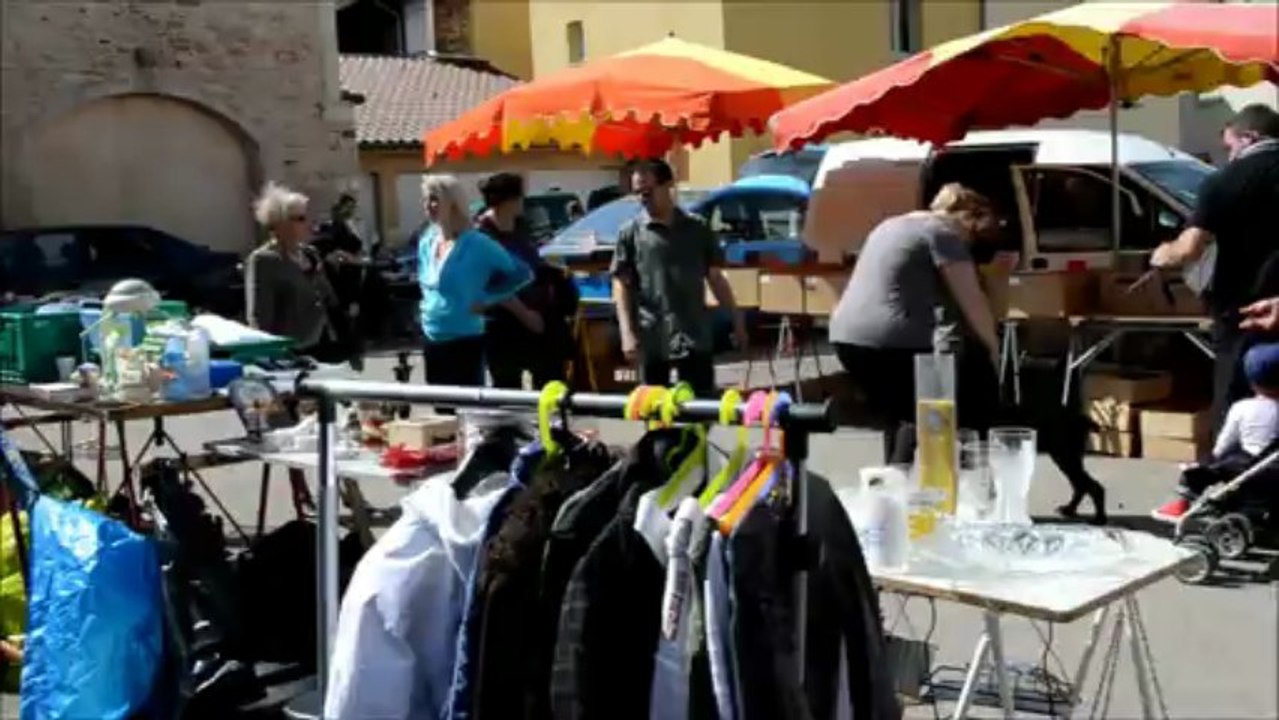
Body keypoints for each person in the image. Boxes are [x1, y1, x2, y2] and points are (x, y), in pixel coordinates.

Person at [831, 183, 1003, 463]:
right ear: (970, 218)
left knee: (897, 417)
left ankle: (892, 489)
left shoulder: (891, 224)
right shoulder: (944, 233)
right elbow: (972, 302)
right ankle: (911, 485)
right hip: (892, 339)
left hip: (846, 337)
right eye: (975, 235)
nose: (970, 244)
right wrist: (993, 348)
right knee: (924, 414)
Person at [1151, 104, 1279, 437]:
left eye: (1230, 145)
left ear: (1249, 137)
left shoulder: (1223, 181)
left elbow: (1189, 247)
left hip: (1243, 307)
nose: (1230, 154)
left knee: (1235, 396)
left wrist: (1162, 254)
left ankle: (1232, 475)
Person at [610, 158, 747, 397]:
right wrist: (626, 333)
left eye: (648, 191)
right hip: (653, 335)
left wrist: (737, 320)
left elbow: (716, 278)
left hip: (694, 334)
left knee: (700, 407)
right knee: (654, 409)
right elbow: (621, 284)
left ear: (667, 187)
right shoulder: (630, 233)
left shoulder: (698, 229)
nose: (643, 199)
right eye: (638, 193)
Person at [417, 174, 533, 387]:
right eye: (426, 199)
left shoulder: (477, 243)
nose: (429, 205)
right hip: (432, 335)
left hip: (465, 337)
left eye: (435, 199)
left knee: (467, 411)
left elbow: (521, 273)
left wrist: (488, 298)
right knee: (439, 411)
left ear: (453, 202)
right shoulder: (426, 241)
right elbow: (427, 284)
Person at [1153, 342, 1279, 522]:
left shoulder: (1242, 408)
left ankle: (1182, 505)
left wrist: (1206, 461)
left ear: (1250, 380)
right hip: (1276, 472)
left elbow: (1222, 447)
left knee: (1201, 469)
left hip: (1247, 471)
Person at [475, 172, 578, 389]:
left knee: (551, 384)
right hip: (504, 324)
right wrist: (526, 315)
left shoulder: (519, 227)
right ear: (508, 201)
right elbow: (489, 283)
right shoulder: (482, 236)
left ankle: (550, 423)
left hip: (538, 321)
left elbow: (531, 263)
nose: (524, 201)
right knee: (508, 392)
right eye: (520, 196)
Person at [244, 182, 347, 362]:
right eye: (299, 218)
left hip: (327, 346)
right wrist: (272, 357)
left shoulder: (310, 254)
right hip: (292, 353)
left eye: (306, 217)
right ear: (278, 223)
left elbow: (328, 299)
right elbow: (259, 317)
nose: (307, 223)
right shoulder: (264, 259)